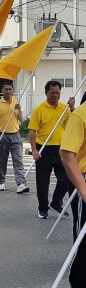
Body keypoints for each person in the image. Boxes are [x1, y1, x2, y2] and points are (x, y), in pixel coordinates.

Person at [28, 80, 74, 219]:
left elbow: (72, 124)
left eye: (58, 93)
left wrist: (72, 108)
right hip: (43, 149)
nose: (55, 95)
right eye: (52, 93)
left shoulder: (64, 109)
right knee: (42, 182)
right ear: (46, 93)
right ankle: (43, 208)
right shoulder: (39, 109)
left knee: (66, 179)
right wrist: (34, 150)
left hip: (61, 149)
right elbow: (32, 131)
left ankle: (56, 202)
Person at [60, 101, 86, 288]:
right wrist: (84, 190)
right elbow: (67, 154)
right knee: (84, 243)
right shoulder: (80, 115)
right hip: (84, 178)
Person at [0, 82, 29, 193]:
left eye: (10, 89)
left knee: (18, 160)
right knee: (1, 160)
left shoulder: (16, 103)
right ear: (2, 90)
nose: (8, 91)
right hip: (1, 135)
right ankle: (1, 181)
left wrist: (19, 110)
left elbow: (22, 120)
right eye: (6, 89)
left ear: (13, 91)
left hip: (15, 135)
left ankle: (21, 183)